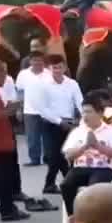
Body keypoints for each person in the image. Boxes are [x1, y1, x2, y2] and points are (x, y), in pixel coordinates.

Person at [59, 96, 112, 219]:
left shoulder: (111, 132)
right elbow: (68, 155)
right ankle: (73, 216)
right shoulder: (77, 132)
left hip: (104, 169)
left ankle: (93, 219)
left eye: (89, 112)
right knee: (66, 184)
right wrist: (85, 146)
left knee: (94, 187)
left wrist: (97, 146)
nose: (85, 116)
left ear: (100, 113)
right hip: (80, 168)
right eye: (83, 112)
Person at [30, 55, 83, 197]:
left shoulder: (72, 84)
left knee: (67, 154)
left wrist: (84, 118)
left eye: (60, 67)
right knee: (54, 155)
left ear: (65, 67)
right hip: (50, 123)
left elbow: (80, 102)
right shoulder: (43, 85)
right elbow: (42, 108)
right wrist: (59, 122)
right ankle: (67, 181)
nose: (57, 70)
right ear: (49, 68)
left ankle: (51, 184)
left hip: (70, 123)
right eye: (54, 68)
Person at [0, 55, 29, 221]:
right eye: (1, 72)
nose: (5, 76)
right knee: (3, 178)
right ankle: (7, 210)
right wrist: (11, 109)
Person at [15, 51, 50, 166]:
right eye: (34, 60)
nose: (37, 62)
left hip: (47, 110)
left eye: (39, 60)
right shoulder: (23, 74)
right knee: (32, 137)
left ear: (43, 61)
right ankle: (34, 159)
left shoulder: (49, 74)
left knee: (47, 136)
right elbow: (19, 92)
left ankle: (48, 158)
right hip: (29, 110)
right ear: (30, 61)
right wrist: (19, 109)